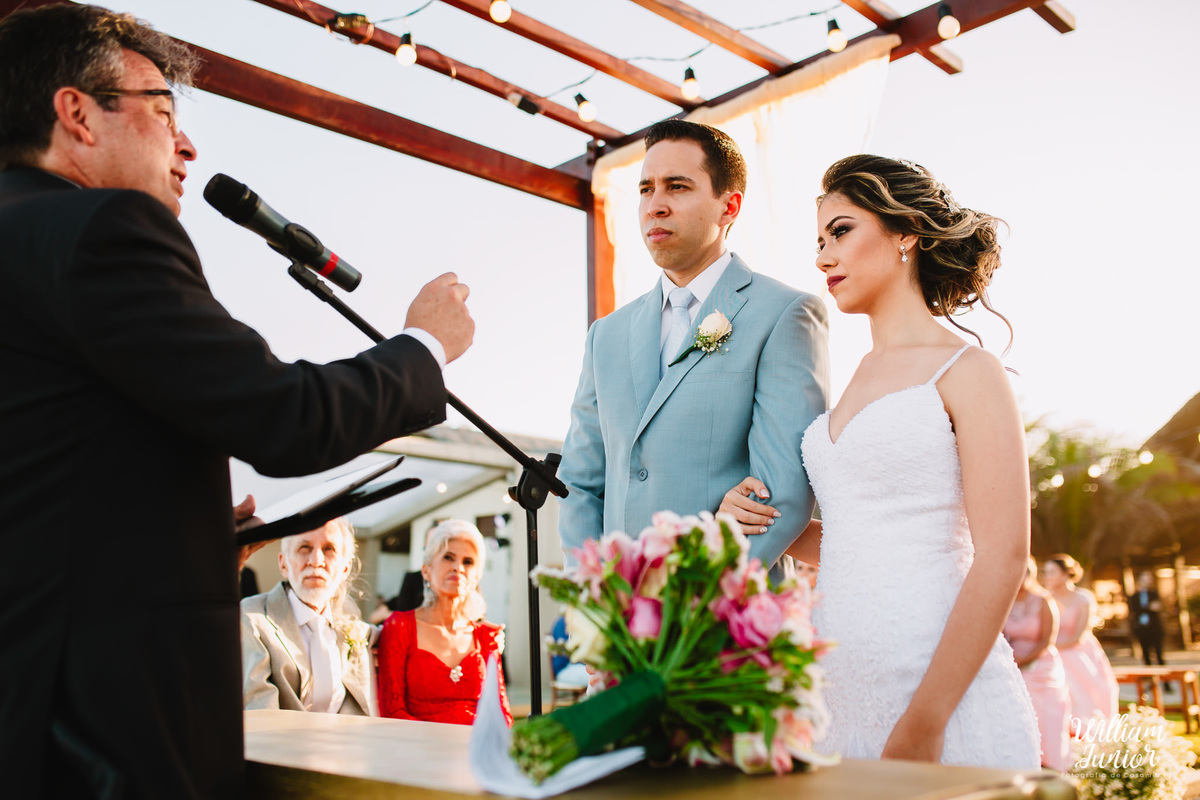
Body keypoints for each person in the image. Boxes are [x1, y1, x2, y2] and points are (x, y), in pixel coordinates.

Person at [0, 5, 472, 798]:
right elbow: (283, 418)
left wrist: (181, 538)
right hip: (103, 725)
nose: (185, 144)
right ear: (77, 113)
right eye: (161, 111)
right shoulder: (101, 229)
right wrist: (423, 350)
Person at [790, 154, 1040, 767]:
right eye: (819, 241)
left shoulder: (968, 371)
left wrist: (927, 719)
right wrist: (774, 526)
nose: (824, 257)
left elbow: (1005, 554)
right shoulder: (848, 381)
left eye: (841, 231)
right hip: (837, 692)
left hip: (939, 693)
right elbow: (862, 540)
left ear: (906, 234)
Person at [558, 119, 829, 571]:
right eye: (646, 189)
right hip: (620, 622)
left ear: (729, 206)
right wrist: (596, 597)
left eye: (677, 187)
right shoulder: (605, 335)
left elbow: (781, 492)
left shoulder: (785, 313)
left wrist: (686, 601)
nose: (655, 205)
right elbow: (581, 483)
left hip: (727, 613)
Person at [377, 520, 512, 725]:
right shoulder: (400, 626)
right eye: (448, 558)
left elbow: (502, 714)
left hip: (475, 750)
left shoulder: (486, 636)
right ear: (426, 571)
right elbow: (392, 711)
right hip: (419, 749)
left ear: (476, 578)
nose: (458, 567)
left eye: (468, 562)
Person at [241, 519, 378, 715]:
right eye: (304, 548)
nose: (316, 560)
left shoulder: (349, 620)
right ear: (283, 564)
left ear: (345, 569)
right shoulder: (252, 617)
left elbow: (393, 635)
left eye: (329, 549)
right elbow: (261, 712)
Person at [1004, 559, 1070, 770]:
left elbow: (1047, 640)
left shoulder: (1044, 601)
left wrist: (1025, 660)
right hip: (1012, 662)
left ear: (1031, 576)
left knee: (1045, 712)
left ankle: (1052, 763)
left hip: (1041, 663)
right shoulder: (1005, 602)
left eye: (1025, 574)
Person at [1043, 554, 1119, 725]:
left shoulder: (1083, 598)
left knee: (1090, 691)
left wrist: (1051, 647)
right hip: (1050, 648)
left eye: (1052, 572)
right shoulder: (1045, 598)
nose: (1047, 577)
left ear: (1065, 574)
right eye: (1046, 572)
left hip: (1078, 649)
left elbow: (1080, 635)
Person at [1128, 570, 1166, 667]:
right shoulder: (1134, 597)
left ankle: (1165, 680)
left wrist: (1144, 608)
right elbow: (1134, 610)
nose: (1149, 580)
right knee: (1146, 655)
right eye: (1146, 578)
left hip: (1155, 628)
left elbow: (1158, 607)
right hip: (1142, 629)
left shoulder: (1154, 594)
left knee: (1159, 654)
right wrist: (1149, 607)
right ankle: (1150, 679)